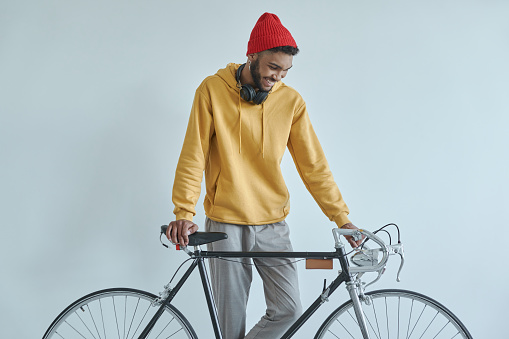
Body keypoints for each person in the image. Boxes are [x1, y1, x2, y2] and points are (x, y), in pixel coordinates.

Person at [166, 12, 362, 339]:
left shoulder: (291, 102)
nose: (278, 77)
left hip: (273, 224)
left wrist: (341, 218)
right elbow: (193, 154)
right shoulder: (212, 91)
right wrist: (183, 213)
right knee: (229, 327)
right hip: (226, 224)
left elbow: (314, 166)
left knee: (289, 311)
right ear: (252, 56)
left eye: (285, 71)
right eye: (273, 67)